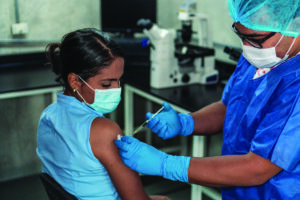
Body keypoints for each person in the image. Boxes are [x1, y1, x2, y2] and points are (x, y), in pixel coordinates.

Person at [115, 0, 300, 199]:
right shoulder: (257, 58)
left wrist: (165, 164)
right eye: (241, 36)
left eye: (255, 38)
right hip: (237, 191)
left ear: (294, 25)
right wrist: (187, 122)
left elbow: (257, 168)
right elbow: (229, 107)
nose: (247, 47)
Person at [36, 28, 171, 200]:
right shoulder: (104, 130)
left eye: (118, 80)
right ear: (75, 81)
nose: (117, 90)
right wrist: (163, 163)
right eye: (107, 84)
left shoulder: (48, 115)